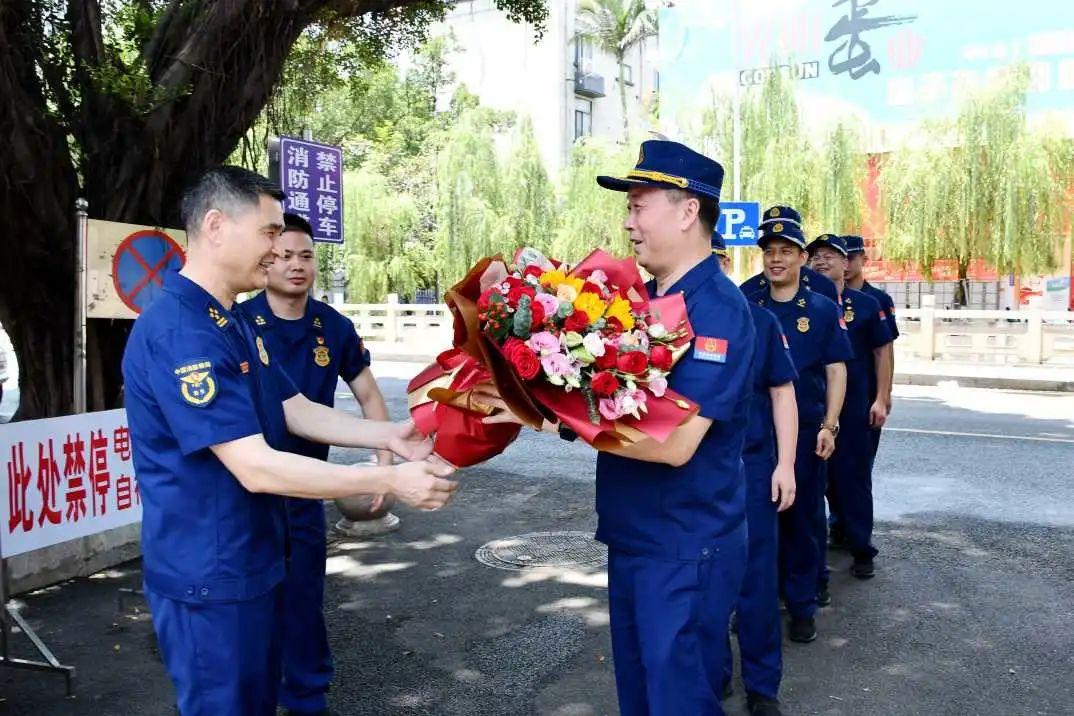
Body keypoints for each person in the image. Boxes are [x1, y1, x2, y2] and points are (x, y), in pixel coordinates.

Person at [121, 166, 458, 716]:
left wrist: (392, 436)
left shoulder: (229, 320)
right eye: (269, 233)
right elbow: (254, 466)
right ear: (215, 226)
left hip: (253, 559)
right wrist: (386, 478)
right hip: (211, 574)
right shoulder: (183, 331)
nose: (278, 252)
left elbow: (295, 408)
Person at [479, 140, 757, 715]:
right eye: (628, 208)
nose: (627, 222)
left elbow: (677, 445)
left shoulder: (719, 312)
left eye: (638, 206)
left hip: (686, 544)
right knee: (640, 694)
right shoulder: (637, 302)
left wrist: (555, 418)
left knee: (679, 699)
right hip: (636, 534)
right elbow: (615, 409)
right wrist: (537, 401)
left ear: (687, 212)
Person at [239, 213, 398, 716]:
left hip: (310, 488)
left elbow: (369, 394)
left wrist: (385, 461)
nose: (295, 265)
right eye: (284, 255)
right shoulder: (240, 325)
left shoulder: (333, 326)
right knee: (253, 601)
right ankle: (256, 692)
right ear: (266, 261)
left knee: (304, 597)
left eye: (305, 255)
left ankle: (307, 695)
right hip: (250, 489)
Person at [742, 209, 852, 644]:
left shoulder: (822, 310)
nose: (776, 259)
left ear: (802, 258)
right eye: (769, 251)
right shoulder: (747, 302)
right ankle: (754, 606)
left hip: (807, 432)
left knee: (804, 522)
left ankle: (802, 604)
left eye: (786, 251)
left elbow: (837, 371)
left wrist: (830, 424)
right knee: (754, 525)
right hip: (755, 434)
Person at [715, 233, 799, 716]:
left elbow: (782, 392)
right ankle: (715, 673)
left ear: (724, 261)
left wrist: (785, 464)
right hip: (691, 470)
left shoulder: (758, 320)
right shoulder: (663, 318)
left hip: (750, 467)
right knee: (705, 585)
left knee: (756, 584)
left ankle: (763, 686)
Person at [809, 235, 892, 581]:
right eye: (816, 257)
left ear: (847, 263)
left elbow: (882, 353)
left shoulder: (867, 304)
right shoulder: (805, 305)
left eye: (831, 256)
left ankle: (861, 548)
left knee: (853, 480)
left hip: (855, 408)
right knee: (815, 484)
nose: (822, 262)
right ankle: (815, 557)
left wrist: (882, 398)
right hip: (813, 408)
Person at [842, 235, 899, 459]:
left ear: (864, 260)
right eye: (841, 258)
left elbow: (886, 350)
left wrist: (884, 394)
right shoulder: (828, 297)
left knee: (861, 463)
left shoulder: (877, 299)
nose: (845, 264)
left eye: (851, 258)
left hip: (866, 390)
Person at [740, 207, 839, 304]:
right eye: (767, 229)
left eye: (785, 251)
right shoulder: (748, 290)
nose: (775, 231)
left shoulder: (822, 286)